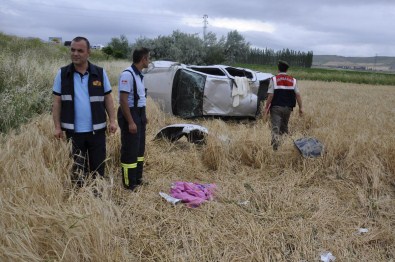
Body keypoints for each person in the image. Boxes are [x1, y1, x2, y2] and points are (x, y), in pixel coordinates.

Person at [52, 36, 117, 187]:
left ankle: (97, 197)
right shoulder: (62, 74)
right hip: (73, 133)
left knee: (98, 169)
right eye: (73, 50)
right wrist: (57, 127)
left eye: (80, 50)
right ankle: (80, 200)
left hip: (97, 131)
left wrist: (112, 121)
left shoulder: (100, 73)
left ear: (89, 53)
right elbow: (56, 102)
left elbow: (108, 98)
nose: (75, 53)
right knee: (77, 170)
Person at [118, 47, 150, 190]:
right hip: (130, 114)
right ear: (143, 59)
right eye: (148, 58)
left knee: (139, 150)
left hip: (139, 114)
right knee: (130, 151)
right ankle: (128, 184)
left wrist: (143, 117)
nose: (149, 61)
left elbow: (140, 98)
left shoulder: (139, 75)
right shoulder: (128, 74)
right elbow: (123, 101)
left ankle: (137, 179)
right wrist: (131, 122)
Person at [264, 60, 303, 150]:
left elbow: (270, 95)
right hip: (288, 109)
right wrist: (301, 108)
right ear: (286, 70)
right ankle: (285, 147)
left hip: (276, 108)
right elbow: (298, 95)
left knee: (275, 128)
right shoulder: (293, 80)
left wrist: (266, 107)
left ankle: (275, 149)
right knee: (284, 127)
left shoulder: (274, 79)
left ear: (278, 69)